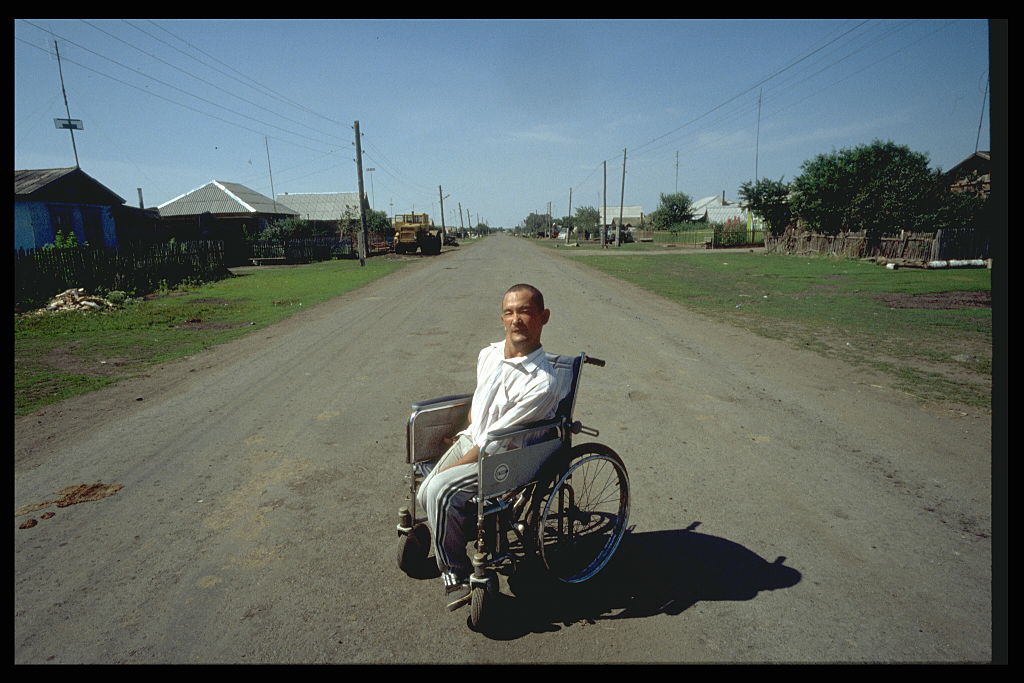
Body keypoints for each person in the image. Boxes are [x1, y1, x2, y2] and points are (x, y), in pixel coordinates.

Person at [416, 283, 560, 611]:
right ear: (502, 318)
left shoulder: (542, 382)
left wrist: (453, 466)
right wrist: (461, 431)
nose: (516, 320)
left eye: (525, 311)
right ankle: (457, 526)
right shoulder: (489, 354)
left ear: (543, 317)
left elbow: (494, 441)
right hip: (475, 439)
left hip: (507, 457)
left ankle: (458, 574)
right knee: (425, 494)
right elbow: (479, 403)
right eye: (509, 312)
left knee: (440, 489)